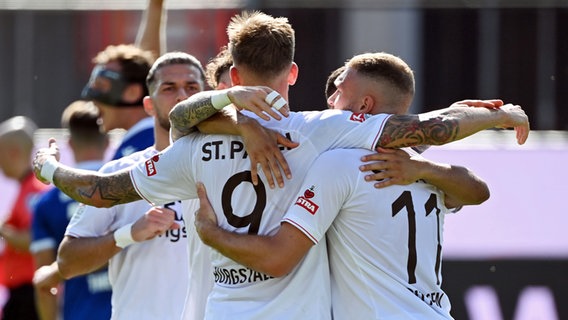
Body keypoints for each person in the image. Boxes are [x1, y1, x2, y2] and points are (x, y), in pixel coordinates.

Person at [31, 11, 528, 320]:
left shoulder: (188, 148)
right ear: (293, 71)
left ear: (234, 74)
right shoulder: (326, 133)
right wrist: (496, 115)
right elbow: (426, 128)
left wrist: (48, 168)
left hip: (224, 311)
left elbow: (99, 190)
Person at [192, 52, 494, 319]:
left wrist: (211, 233)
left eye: (337, 92)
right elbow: (479, 191)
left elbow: (276, 257)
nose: (329, 102)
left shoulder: (340, 163)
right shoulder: (419, 168)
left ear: (363, 105)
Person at [56, 51, 209, 320]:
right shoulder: (118, 172)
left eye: (192, 87)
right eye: (169, 88)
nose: (182, 96)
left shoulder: (228, 167)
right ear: (148, 105)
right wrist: (127, 234)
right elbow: (67, 262)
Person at [30, 101, 112, 320]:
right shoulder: (128, 191)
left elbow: (44, 283)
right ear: (107, 142)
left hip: (79, 313)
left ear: (69, 144)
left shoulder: (46, 203)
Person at [80, 0, 166, 160]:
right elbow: (148, 72)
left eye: (101, 86)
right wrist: (155, 7)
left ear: (133, 92)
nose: (91, 95)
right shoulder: (155, 138)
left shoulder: (141, 150)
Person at [0, 116, 48, 320]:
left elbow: (36, 239)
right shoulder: (26, 189)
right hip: (23, 294)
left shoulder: (33, 193)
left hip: (28, 294)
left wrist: (3, 231)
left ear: (13, 153)